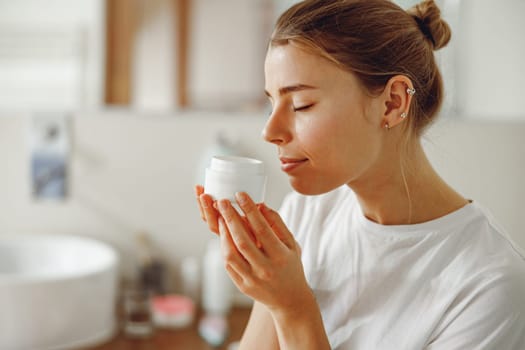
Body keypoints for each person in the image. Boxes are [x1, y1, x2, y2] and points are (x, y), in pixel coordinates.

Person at [195, 0, 525, 348]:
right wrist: (268, 286)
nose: (269, 131)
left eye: (301, 105)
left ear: (392, 102)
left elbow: (291, 311)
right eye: (271, 103)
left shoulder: (490, 285)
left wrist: (294, 308)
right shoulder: (306, 215)